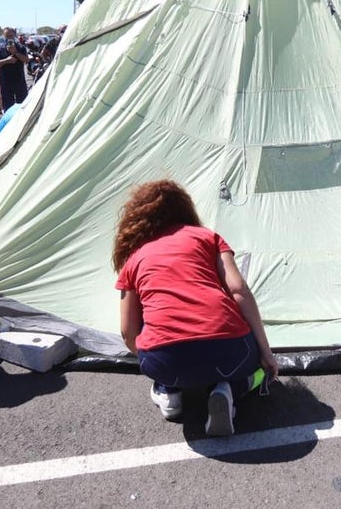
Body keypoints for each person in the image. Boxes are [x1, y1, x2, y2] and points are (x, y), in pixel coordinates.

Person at [113, 180, 278, 436]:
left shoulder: (135, 257)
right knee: (256, 366)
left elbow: (128, 332)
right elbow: (238, 290)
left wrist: (156, 358)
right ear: (185, 208)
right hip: (229, 353)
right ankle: (228, 390)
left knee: (150, 317)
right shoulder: (208, 237)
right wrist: (265, 352)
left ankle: (168, 392)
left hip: (163, 362)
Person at [0, 26, 29, 110]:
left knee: (23, 108)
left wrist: (15, 52)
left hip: (19, 83)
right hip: (5, 84)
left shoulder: (21, 47)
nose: (9, 38)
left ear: (14, 36)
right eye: (7, 36)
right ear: (4, 36)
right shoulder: (0, 49)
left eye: (11, 36)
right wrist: (6, 61)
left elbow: (26, 60)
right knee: (8, 108)